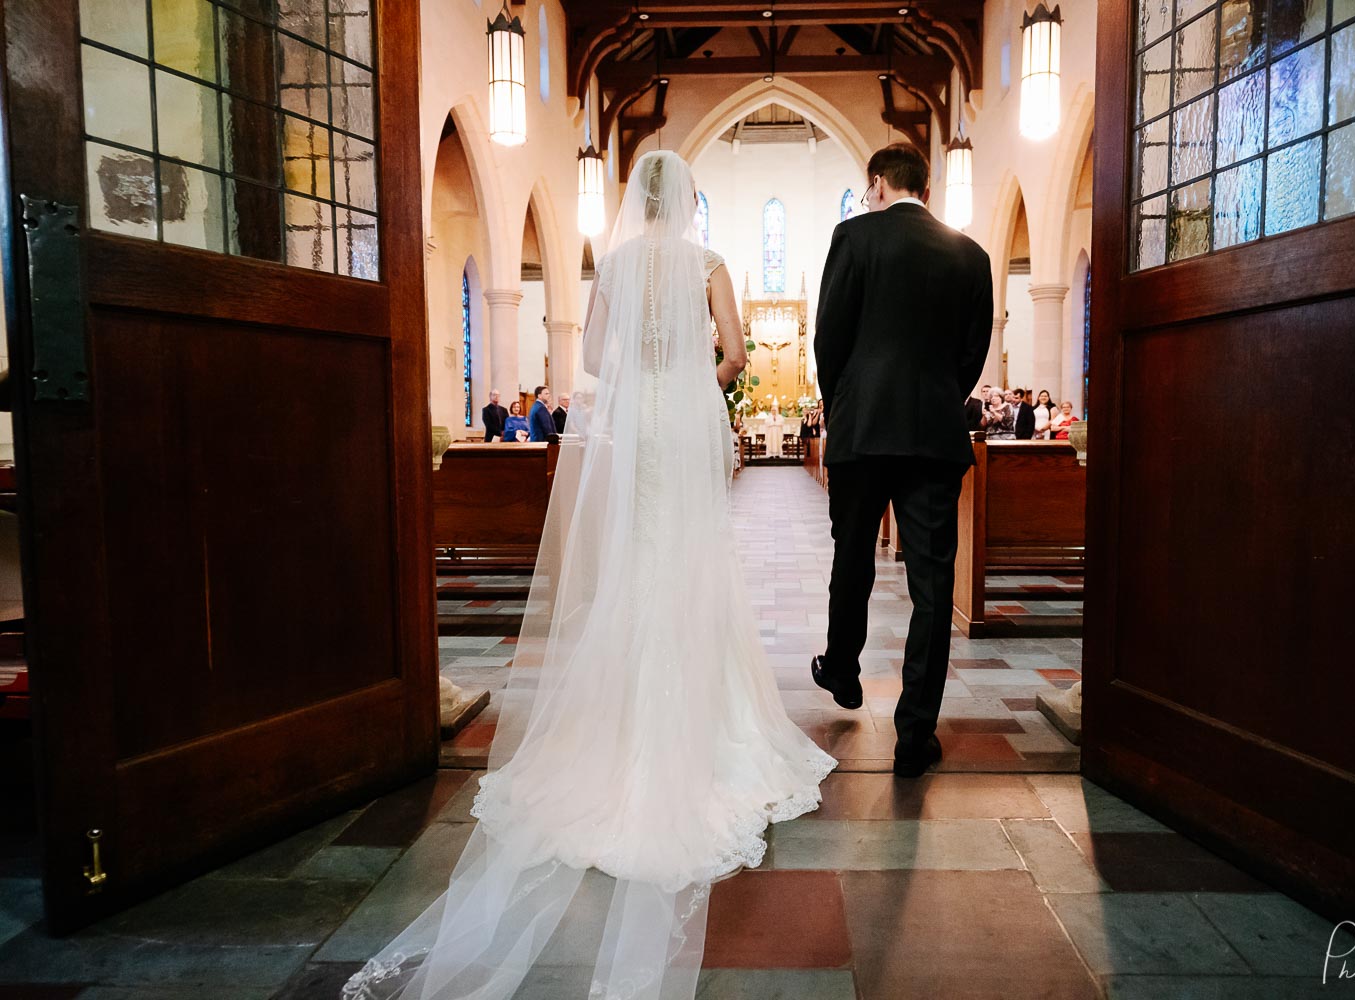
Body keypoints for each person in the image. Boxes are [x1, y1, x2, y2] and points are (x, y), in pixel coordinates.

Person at [344, 150, 833, 1000]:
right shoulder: (709, 263)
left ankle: (617, 726)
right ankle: (703, 721)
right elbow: (735, 352)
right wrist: (694, 376)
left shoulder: (612, 263)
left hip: (639, 424)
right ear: (686, 204)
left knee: (638, 558)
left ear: (635, 201)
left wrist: (648, 373)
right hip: (684, 419)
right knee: (693, 554)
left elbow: (600, 359)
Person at [811, 141, 993, 780]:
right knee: (933, 584)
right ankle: (915, 732)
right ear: (926, 186)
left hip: (862, 429)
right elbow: (972, 354)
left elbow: (828, 337)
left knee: (852, 555)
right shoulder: (970, 255)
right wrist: (938, 398)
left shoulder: (854, 238)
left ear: (879, 185)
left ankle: (842, 669)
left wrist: (844, 403)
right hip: (935, 436)